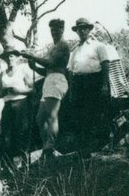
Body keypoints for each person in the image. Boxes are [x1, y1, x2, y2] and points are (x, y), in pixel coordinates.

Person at [14, 18, 71, 158]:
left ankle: (50, 147)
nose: (54, 33)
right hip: (49, 79)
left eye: (56, 30)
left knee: (51, 115)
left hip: (57, 80)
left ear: (62, 30)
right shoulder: (54, 46)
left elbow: (51, 62)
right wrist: (34, 66)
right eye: (52, 30)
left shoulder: (63, 44)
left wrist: (32, 55)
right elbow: (47, 69)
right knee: (40, 118)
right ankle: (47, 146)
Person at [68, 17, 113, 155]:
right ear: (76, 31)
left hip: (96, 81)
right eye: (79, 29)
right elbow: (71, 71)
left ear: (89, 29)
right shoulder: (74, 51)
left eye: (84, 28)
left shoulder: (98, 46)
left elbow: (105, 65)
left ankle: (105, 144)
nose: (82, 31)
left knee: (100, 111)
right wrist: (71, 91)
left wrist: (105, 85)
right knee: (83, 116)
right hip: (80, 84)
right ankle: (87, 148)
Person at [0, 51, 36, 165]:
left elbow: (33, 89)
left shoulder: (22, 70)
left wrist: (19, 91)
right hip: (8, 105)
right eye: (6, 57)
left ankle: (25, 163)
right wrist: (3, 91)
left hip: (21, 104)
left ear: (16, 57)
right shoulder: (2, 74)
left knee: (21, 133)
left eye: (11, 56)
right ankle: (9, 165)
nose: (9, 59)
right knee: (7, 136)